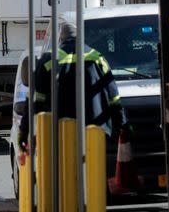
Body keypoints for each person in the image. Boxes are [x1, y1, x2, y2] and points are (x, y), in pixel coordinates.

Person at [19, 22, 128, 150]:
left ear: (60, 39)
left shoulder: (49, 60)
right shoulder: (98, 59)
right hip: (95, 135)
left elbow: (35, 101)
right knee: (95, 169)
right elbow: (114, 100)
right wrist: (122, 128)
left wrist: (24, 132)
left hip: (60, 137)